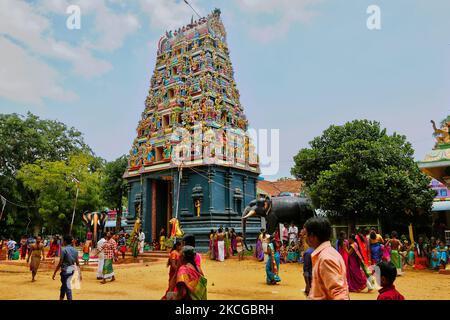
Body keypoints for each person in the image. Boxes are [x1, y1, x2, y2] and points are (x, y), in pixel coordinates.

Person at [304, 217, 349, 300]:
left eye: (306, 234)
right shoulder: (329, 253)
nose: (305, 238)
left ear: (312, 236)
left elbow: (339, 294)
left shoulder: (325, 258)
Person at [52, 235, 81, 300]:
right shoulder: (75, 250)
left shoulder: (63, 249)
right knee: (64, 285)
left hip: (65, 271)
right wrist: (79, 273)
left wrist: (55, 272)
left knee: (67, 288)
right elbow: (77, 263)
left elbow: (60, 263)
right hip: (71, 270)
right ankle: (61, 298)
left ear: (65, 241)